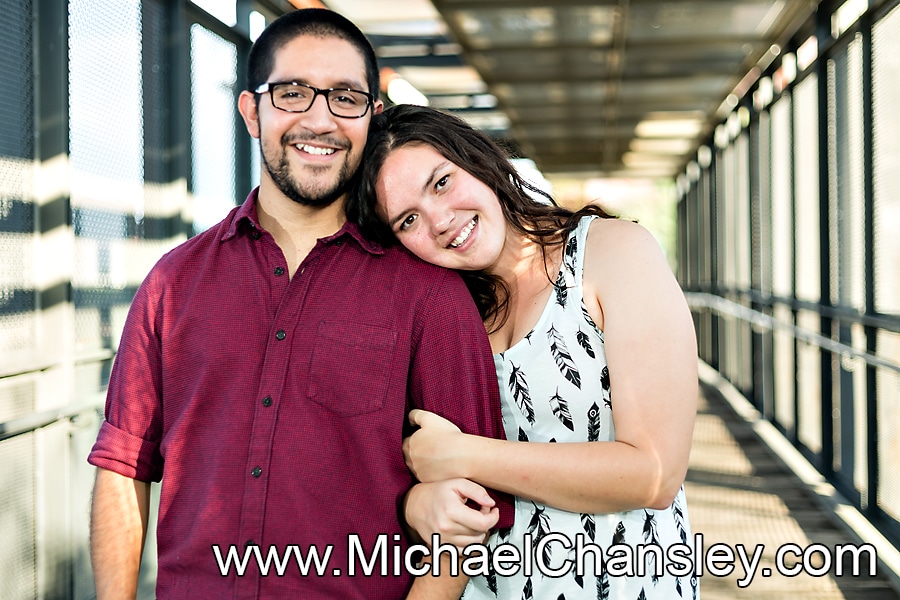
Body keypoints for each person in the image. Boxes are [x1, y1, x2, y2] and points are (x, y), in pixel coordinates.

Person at [87, 10, 512, 599]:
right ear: (251, 112)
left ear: (372, 116)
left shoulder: (429, 293)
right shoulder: (173, 283)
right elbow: (122, 466)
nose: (319, 119)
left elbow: (467, 511)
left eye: (345, 97)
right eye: (291, 93)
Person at [355, 104, 700, 599]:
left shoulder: (613, 254)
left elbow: (654, 474)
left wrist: (465, 454)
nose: (440, 221)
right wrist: (416, 506)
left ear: (476, 160)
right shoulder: (442, 314)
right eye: (408, 220)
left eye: (441, 183)